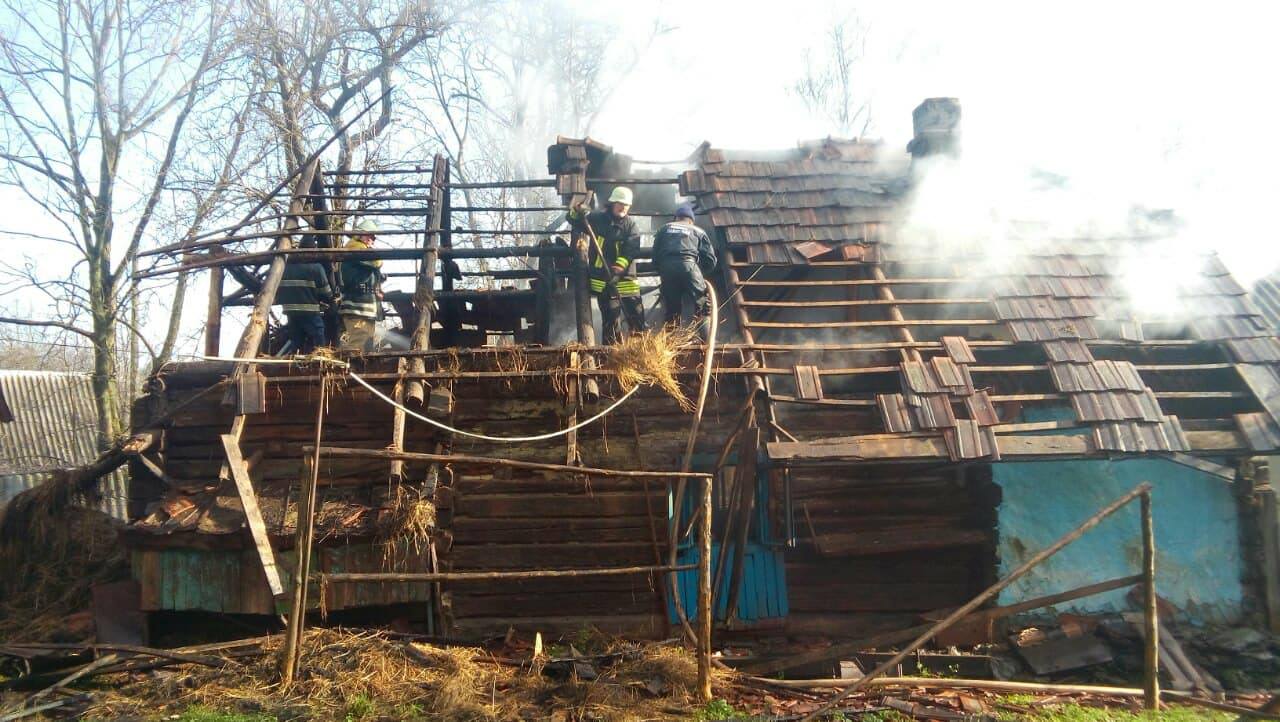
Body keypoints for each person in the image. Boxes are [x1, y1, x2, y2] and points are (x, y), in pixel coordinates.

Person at [568, 186, 646, 344]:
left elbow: (631, 249)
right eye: (620, 203)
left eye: (626, 205)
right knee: (611, 321)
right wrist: (577, 211)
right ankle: (610, 354)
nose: (623, 207)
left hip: (626, 281)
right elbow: (572, 220)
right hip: (602, 281)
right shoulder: (597, 219)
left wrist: (619, 267)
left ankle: (640, 349)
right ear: (612, 203)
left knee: (636, 317)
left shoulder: (631, 227)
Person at [652, 204, 716, 335]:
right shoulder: (698, 231)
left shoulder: (664, 229)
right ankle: (705, 340)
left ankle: (670, 344)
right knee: (703, 305)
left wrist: (661, 270)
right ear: (691, 220)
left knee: (672, 309)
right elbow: (710, 259)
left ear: (676, 218)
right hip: (689, 266)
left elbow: (655, 255)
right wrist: (700, 274)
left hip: (667, 268)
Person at [275, 239, 334, 353]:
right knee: (318, 333)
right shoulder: (316, 268)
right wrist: (331, 299)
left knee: (296, 338)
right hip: (309, 310)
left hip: (290, 311)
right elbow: (326, 293)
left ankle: (295, 360)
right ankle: (320, 357)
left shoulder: (284, 268)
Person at [338, 219, 384, 351]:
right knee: (358, 344)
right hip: (358, 306)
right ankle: (349, 369)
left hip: (363, 307)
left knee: (365, 343)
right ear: (361, 235)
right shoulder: (355, 247)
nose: (373, 240)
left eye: (374, 237)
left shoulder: (359, 248)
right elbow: (376, 262)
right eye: (370, 236)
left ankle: (357, 369)